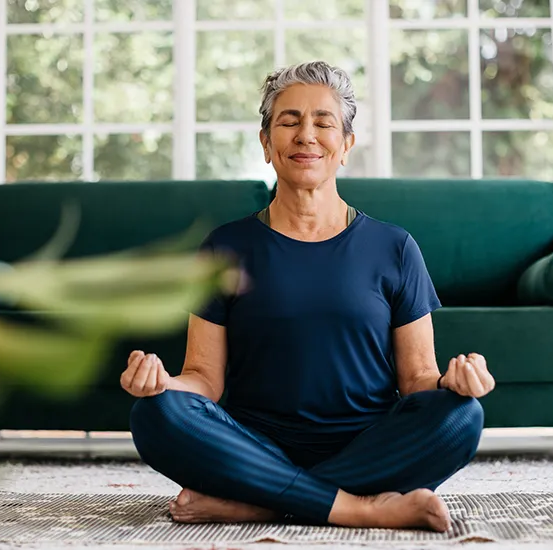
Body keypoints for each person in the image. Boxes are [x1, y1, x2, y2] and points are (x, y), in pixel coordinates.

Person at [122, 61, 495, 532]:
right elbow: (203, 380)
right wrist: (162, 385)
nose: (306, 135)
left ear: (346, 146)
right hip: (252, 445)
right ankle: (358, 508)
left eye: (323, 122)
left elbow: (418, 378)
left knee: (462, 415)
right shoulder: (225, 247)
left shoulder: (395, 247)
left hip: (368, 444)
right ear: (265, 143)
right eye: (289, 121)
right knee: (155, 413)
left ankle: (262, 503)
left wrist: (453, 384)